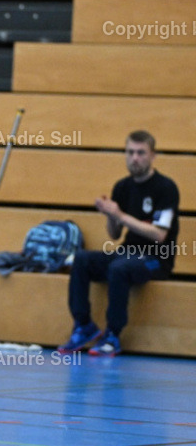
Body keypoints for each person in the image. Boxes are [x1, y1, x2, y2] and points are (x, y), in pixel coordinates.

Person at [57, 130, 180, 358]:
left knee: (119, 268)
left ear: (153, 156)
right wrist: (109, 214)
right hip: (127, 253)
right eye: (130, 152)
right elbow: (114, 235)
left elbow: (159, 235)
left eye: (141, 153)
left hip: (156, 259)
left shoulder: (165, 188)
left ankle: (112, 335)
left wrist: (120, 215)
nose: (135, 158)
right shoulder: (122, 187)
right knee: (81, 259)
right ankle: (83, 325)